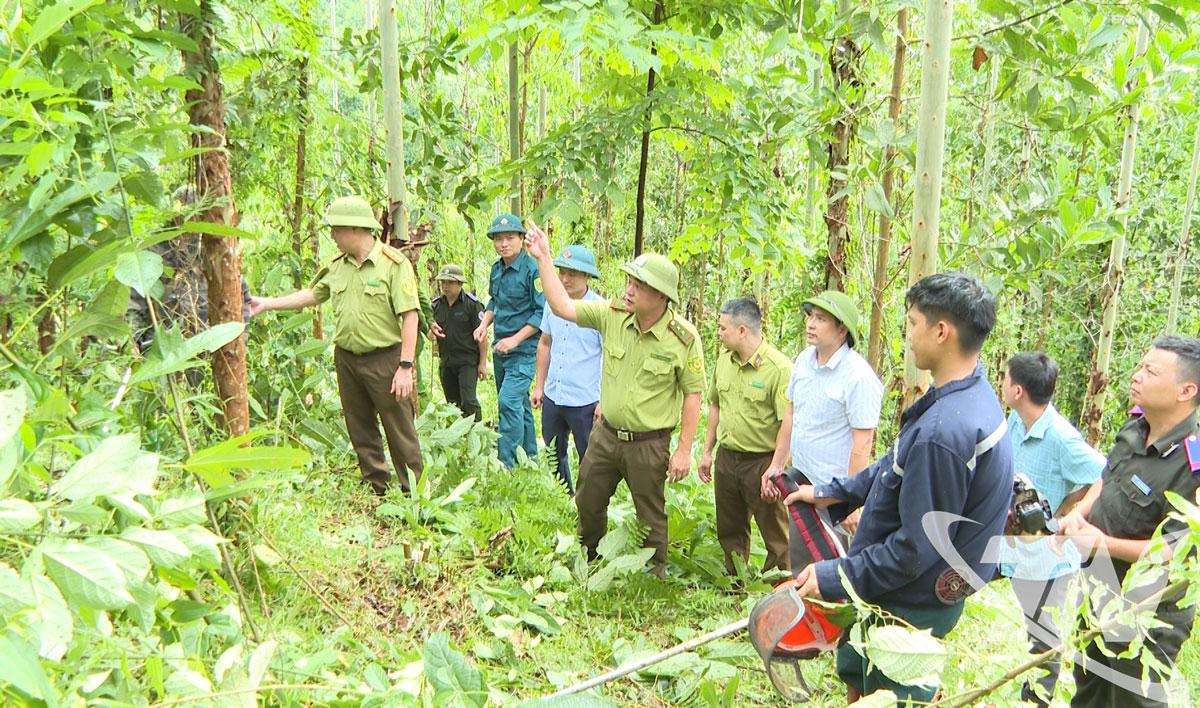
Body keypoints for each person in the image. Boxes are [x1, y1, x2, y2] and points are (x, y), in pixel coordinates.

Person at [786, 272, 1013, 704]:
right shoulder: (968, 395)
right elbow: (894, 465)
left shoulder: (944, 433)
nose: (907, 335)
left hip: (909, 600)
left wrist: (835, 576)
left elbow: (914, 550)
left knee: (890, 692)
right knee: (860, 673)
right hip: (908, 589)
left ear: (941, 331)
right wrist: (834, 492)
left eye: (912, 323)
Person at [524, 223, 704, 577]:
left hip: (649, 444)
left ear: (661, 295)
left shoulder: (682, 338)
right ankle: (589, 558)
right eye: (629, 282)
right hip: (605, 435)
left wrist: (684, 450)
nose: (629, 290)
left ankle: (654, 574)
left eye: (638, 285)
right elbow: (562, 306)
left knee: (649, 513)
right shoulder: (613, 315)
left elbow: (693, 394)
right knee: (588, 499)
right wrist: (544, 258)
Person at [1058, 335, 1200, 707]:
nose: (1137, 376)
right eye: (1141, 366)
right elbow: (1108, 477)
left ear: (1186, 390)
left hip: (1147, 610)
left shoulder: (1193, 464)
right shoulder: (1136, 425)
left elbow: (1173, 551)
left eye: (1151, 371)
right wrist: (1079, 512)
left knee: (1132, 699)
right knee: (1088, 690)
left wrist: (1101, 543)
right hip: (1098, 587)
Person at [248, 195, 422, 495]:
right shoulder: (338, 266)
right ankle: (376, 489)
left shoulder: (393, 264)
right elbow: (312, 295)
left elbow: (410, 315)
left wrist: (405, 366)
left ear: (355, 229)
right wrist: (267, 303)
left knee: (400, 430)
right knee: (359, 426)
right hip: (348, 360)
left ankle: (415, 495)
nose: (332, 236)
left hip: (386, 360)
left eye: (337, 229)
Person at [996, 352, 1105, 706]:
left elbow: (1104, 475)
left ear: (1018, 391)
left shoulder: (1061, 437)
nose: (1002, 383)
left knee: (1043, 639)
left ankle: (1037, 700)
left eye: (1005, 378)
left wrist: (1068, 511)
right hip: (1015, 546)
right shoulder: (1016, 420)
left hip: (1049, 558)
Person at [765, 290, 882, 572]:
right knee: (803, 564)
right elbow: (791, 413)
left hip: (835, 491)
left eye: (821, 319)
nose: (810, 324)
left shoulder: (858, 376)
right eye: (810, 316)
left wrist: (851, 501)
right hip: (801, 481)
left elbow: (863, 442)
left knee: (836, 568)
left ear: (842, 330)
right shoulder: (804, 361)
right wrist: (776, 465)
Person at [697, 296, 792, 574]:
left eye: (722, 328)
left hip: (762, 462)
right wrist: (707, 452)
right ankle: (734, 582)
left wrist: (776, 468)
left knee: (776, 533)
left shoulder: (779, 369)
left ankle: (780, 586)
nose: (718, 333)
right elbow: (716, 406)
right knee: (730, 528)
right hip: (728, 458)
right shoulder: (723, 362)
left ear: (742, 330)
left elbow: (788, 423)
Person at [529, 245, 604, 495]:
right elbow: (545, 343)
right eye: (562, 272)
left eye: (572, 273)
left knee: (589, 457)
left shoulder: (601, 310)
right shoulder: (552, 303)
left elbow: (610, 357)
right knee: (554, 453)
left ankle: (587, 504)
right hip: (554, 394)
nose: (565, 279)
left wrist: (604, 400)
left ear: (587, 276)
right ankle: (564, 497)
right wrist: (539, 386)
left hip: (585, 400)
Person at [474, 214, 544, 468]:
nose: (504, 244)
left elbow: (541, 313)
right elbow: (495, 301)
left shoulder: (533, 270)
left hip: (525, 350)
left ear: (522, 239)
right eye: (498, 239)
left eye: (510, 238)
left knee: (508, 401)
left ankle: (507, 464)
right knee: (519, 404)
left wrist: (515, 340)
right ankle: (531, 457)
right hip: (500, 348)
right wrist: (484, 324)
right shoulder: (496, 269)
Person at [430, 264, 487, 420]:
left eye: (450, 282)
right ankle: (457, 433)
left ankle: (478, 430)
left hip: (467, 362)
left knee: (468, 401)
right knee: (452, 405)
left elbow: (482, 336)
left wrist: (482, 363)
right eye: (443, 282)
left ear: (460, 284)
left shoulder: (472, 305)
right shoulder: (436, 305)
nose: (445, 286)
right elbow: (430, 329)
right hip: (447, 362)